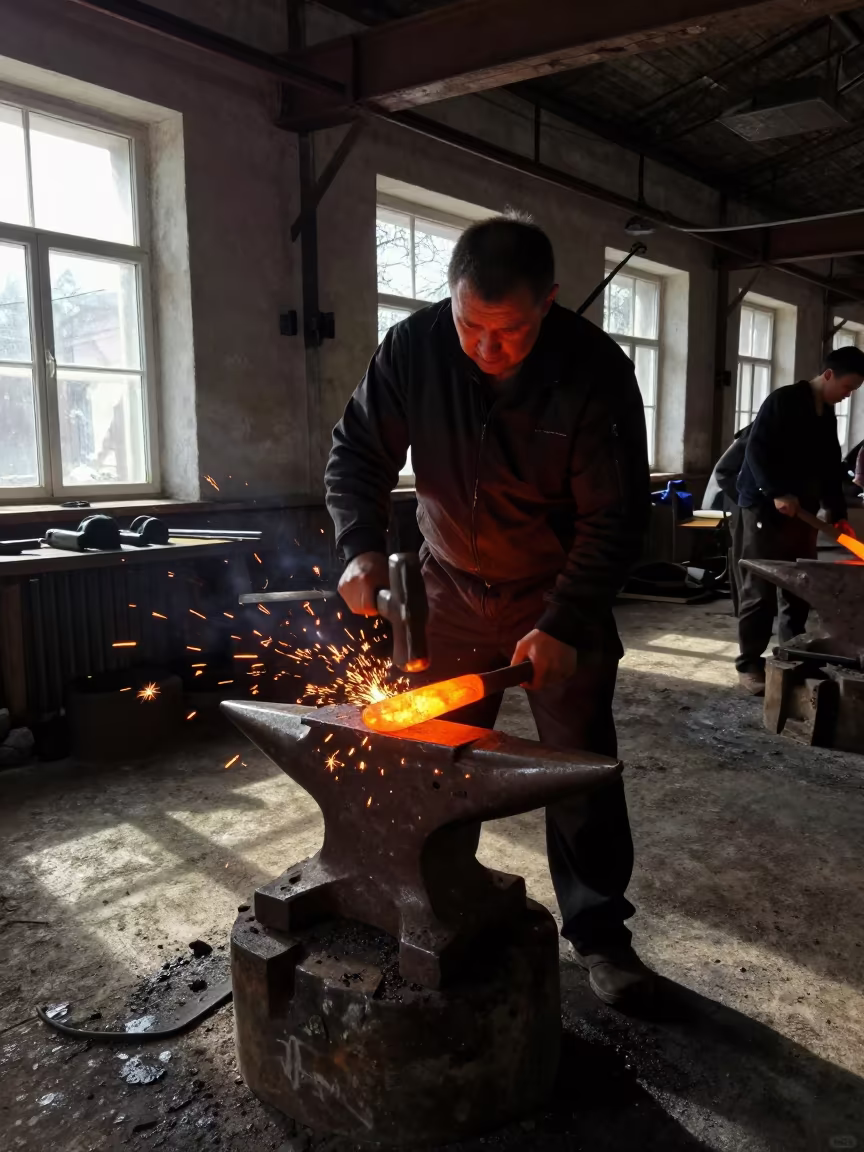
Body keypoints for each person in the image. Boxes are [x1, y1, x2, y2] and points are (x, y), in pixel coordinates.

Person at [325, 215, 652, 1008]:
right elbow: (359, 452)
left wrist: (569, 621)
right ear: (452, 298)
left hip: (555, 593)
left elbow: (618, 516)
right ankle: (436, 902)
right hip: (448, 592)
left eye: (509, 332)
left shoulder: (593, 371)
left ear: (550, 302)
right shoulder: (413, 348)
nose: (486, 347)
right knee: (436, 759)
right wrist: (362, 546)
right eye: (471, 325)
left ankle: (600, 932)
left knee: (576, 769)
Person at [735, 346, 864, 694]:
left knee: (799, 586)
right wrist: (775, 491)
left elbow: (829, 465)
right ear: (828, 375)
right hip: (764, 506)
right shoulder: (784, 401)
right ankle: (749, 664)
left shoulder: (827, 415)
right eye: (846, 387)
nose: (847, 395)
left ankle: (792, 657)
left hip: (800, 512)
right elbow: (756, 450)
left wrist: (836, 513)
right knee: (760, 589)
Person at [702, 423, 752, 615]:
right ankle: (744, 609)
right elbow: (723, 472)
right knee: (743, 553)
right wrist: (745, 500)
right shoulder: (757, 432)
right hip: (732, 497)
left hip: (742, 496)